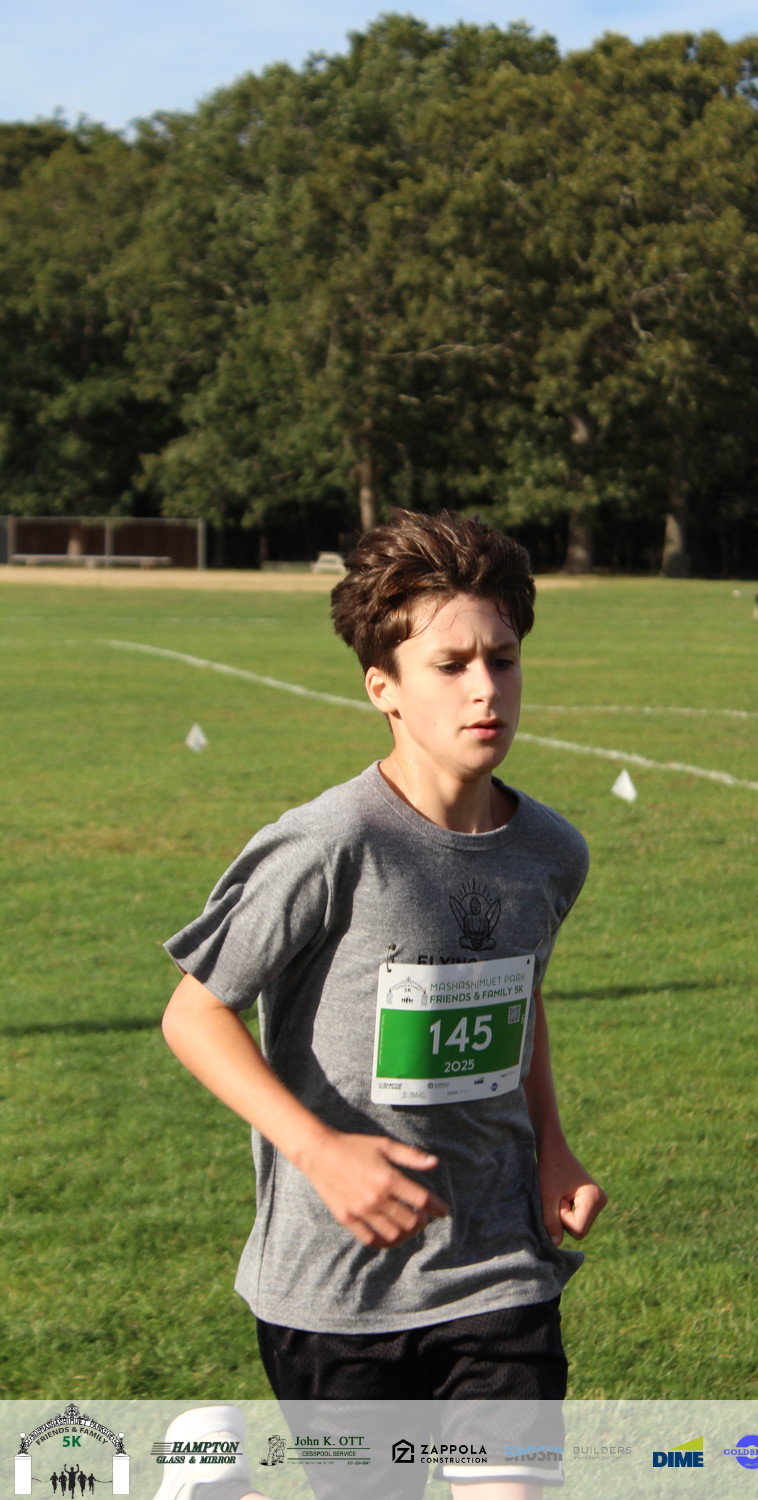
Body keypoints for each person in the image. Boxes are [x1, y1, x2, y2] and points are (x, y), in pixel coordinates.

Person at [162, 510, 606, 1498]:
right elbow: (193, 1015)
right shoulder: (329, 845)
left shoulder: (552, 853)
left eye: (503, 659)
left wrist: (554, 1146)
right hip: (335, 1285)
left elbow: (520, 995)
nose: (485, 688)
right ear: (384, 688)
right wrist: (319, 1151)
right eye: (451, 665)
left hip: (495, 1263)